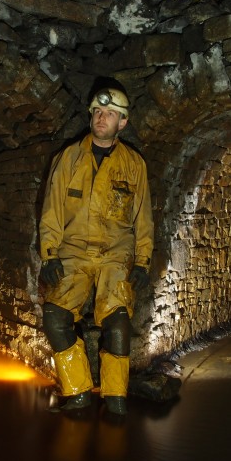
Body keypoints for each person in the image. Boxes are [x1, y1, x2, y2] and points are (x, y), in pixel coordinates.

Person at [38, 85, 154, 415]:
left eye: (111, 115)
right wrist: (49, 253)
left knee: (117, 322)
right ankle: (78, 391)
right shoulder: (69, 157)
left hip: (117, 252)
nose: (102, 119)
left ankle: (116, 399)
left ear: (123, 123)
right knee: (55, 317)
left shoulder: (134, 165)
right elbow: (52, 210)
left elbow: (142, 217)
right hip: (73, 250)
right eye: (98, 113)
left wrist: (143, 261)